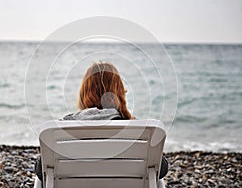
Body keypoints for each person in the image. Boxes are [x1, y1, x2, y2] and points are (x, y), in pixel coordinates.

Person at [34, 62, 168, 186]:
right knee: (155, 176)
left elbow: (41, 169)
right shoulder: (135, 132)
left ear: (84, 94)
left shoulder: (64, 128)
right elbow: (161, 168)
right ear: (119, 93)